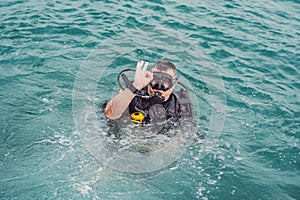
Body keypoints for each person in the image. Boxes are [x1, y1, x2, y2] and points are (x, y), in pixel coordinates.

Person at [104, 60, 192, 127]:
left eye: (166, 81)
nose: (159, 87)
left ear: (174, 84)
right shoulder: (134, 92)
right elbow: (110, 114)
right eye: (155, 79)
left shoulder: (180, 103)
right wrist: (136, 86)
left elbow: (188, 131)